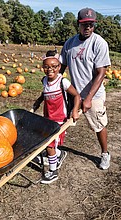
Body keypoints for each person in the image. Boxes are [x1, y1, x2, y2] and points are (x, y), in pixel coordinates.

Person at [59, 7, 111, 170]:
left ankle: (105, 153)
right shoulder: (69, 43)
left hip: (93, 95)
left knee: (98, 125)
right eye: (84, 24)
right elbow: (61, 67)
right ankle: (57, 151)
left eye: (91, 24)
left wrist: (88, 98)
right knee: (62, 121)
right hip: (74, 94)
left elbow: (101, 73)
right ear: (78, 25)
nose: (88, 27)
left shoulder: (99, 43)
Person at [32, 50, 81, 184]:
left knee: (49, 145)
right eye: (47, 67)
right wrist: (37, 102)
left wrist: (75, 110)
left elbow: (77, 96)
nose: (50, 69)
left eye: (54, 66)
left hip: (60, 120)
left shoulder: (62, 82)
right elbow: (44, 94)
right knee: (49, 144)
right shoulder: (45, 81)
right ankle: (59, 154)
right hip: (48, 118)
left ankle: (53, 171)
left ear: (59, 67)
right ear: (43, 68)